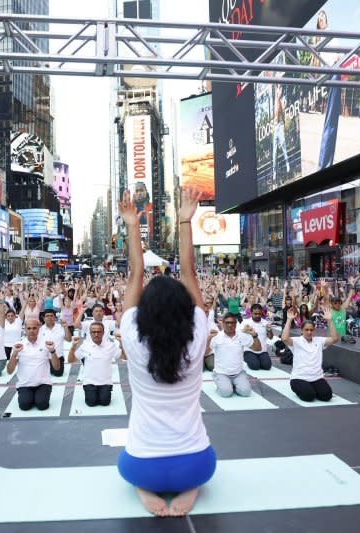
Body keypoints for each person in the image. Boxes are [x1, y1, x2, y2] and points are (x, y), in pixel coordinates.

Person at [116, 187, 215, 517]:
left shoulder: (132, 337)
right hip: (196, 463)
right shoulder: (198, 334)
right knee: (200, 469)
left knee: (127, 466)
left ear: (145, 312)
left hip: (141, 464)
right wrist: (186, 219)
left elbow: (135, 275)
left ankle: (145, 489)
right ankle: (190, 488)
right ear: (185, 310)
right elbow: (189, 274)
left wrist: (133, 224)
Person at [281, 306, 339, 402]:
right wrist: (289, 320)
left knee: (327, 396)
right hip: (299, 378)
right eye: (306, 330)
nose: (309, 332)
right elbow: (284, 338)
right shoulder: (296, 341)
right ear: (301, 330)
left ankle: (312, 388)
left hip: (316, 378)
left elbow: (335, 339)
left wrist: (330, 320)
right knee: (309, 396)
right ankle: (306, 389)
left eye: (311, 330)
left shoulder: (319, 341)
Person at [6, 318, 61, 410]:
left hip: (43, 383)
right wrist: (14, 354)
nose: (32, 331)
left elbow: (57, 367)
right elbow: (9, 371)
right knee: (25, 405)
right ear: (24, 329)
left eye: (34, 328)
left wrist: (52, 351)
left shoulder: (46, 343)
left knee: (42, 405)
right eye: (29, 328)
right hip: (24, 384)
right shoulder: (18, 344)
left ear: (39, 328)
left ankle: (41, 395)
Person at [68, 321, 122, 406]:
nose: (96, 334)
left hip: (105, 382)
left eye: (99, 332)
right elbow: (71, 360)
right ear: (90, 333)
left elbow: (124, 357)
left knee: (105, 402)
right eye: (93, 332)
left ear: (103, 333)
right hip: (90, 382)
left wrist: (121, 343)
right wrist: (73, 346)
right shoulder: (85, 346)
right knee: (91, 402)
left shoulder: (110, 346)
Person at [209, 314, 261, 397]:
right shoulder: (217, 336)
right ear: (223, 323)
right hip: (221, 373)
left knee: (246, 392)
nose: (230, 325)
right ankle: (224, 384)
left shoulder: (241, 335)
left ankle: (232, 385)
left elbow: (258, 349)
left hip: (238, 373)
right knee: (226, 393)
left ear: (236, 324)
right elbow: (206, 351)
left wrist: (254, 335)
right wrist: (209, 338)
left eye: (233, 323)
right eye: (227, 322)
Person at [39, 308, 71, 377]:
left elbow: (69, 339)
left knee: (58, 373)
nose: (49, 317)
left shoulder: (61, 327)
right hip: (44, 358)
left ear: (55, 318)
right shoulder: (40, 329)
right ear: (43, 318)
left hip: (58, 357)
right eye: (47, 316)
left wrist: (66, 327)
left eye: (51, 316)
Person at [243, 303, 273, 370]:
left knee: (267, 367)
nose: (257, 315)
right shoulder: (246, 323)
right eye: (255, 314)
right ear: (251, 313)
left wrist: (270, 331)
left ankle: (259, 359)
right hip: (250, 350)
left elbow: (271, 338)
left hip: (262, 351)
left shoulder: (265, 323)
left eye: (259, 314)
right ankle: (247, 358)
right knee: (255, 366)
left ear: (262, 313)